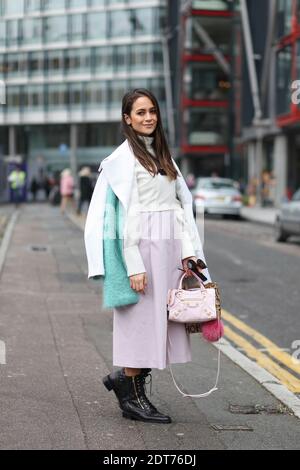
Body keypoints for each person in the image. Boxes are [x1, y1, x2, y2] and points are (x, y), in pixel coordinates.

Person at [84, 88, 210, 424]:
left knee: (160, 324)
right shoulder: (122, 161)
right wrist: (133, 266)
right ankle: (132, 398)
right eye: (140, 112)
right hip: (142, 252)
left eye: (151, 110)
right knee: (140, 324)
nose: (148, 117)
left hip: (168, 250)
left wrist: (188, 255)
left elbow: (179, 209)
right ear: (127, 118)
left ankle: (126, 381)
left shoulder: (162, 155)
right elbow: (123, 218)